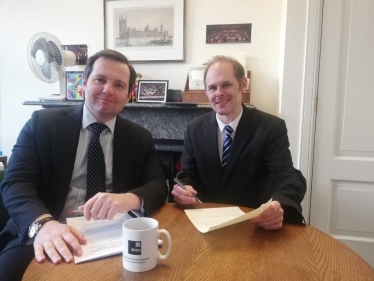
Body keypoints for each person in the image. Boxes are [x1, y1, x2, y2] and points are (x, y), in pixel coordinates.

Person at [0, 49, 168, 280]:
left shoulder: (140, 137)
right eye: (100, 80)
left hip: (111, 237)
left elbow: (158, 184)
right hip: (45, 228)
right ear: (84, 83)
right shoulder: (42, 124)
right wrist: (43, 225)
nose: (108, 90)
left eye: (119, 85)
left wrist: (128, 198)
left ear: (129, 94)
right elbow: (15, 182)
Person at [171, 55, 306, 230]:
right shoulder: (194, 128)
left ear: (243, 84)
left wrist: (279, 204)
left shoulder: (271, 127)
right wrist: (185, 187)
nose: (218, 93)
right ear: (206, 92)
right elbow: (189, 173)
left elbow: (288, 176)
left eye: (226, 85)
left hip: (253, 221)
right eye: (212, 87)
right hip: (207, 221)